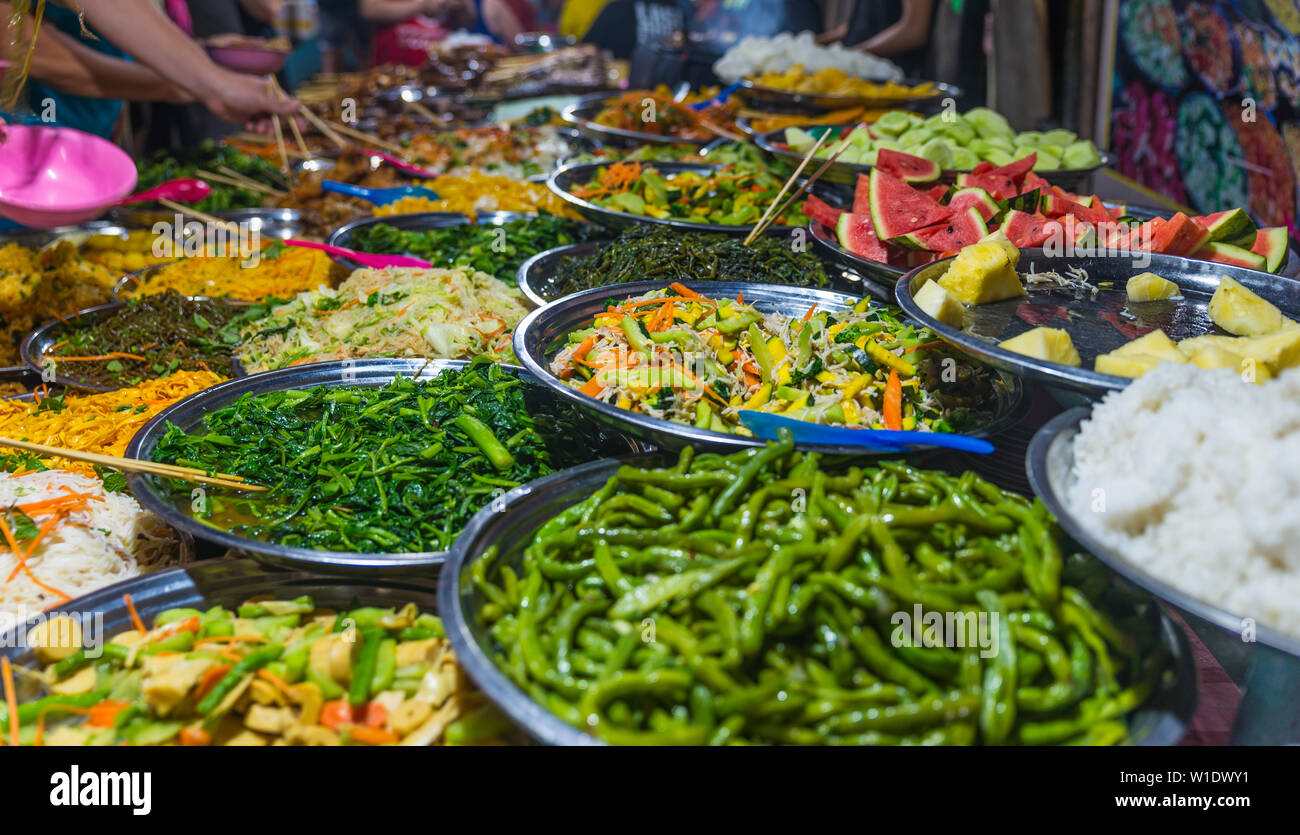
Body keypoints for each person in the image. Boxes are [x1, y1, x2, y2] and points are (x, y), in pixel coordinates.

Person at [1, 1, 192, 138]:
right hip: (30, 124)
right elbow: (15, 42)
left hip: (94, 118)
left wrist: (199, 62)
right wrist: (180, 83)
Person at [819, 0, 936, 77]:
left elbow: (914, 30)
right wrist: (813, 43)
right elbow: (856, 24)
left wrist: (854, 54)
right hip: (852, 75)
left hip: (889, 81)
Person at [360, 0, 476, 66]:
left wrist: (461, 5)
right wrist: (421, 5)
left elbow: (468, 20)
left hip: (441, 74)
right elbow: (369, 9)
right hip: (393, 71)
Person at [319, 0, 373, 72]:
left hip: (359, 6)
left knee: (364, 49)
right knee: (332, 49)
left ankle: (366, 78)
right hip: (331, 6)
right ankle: (328, 79)